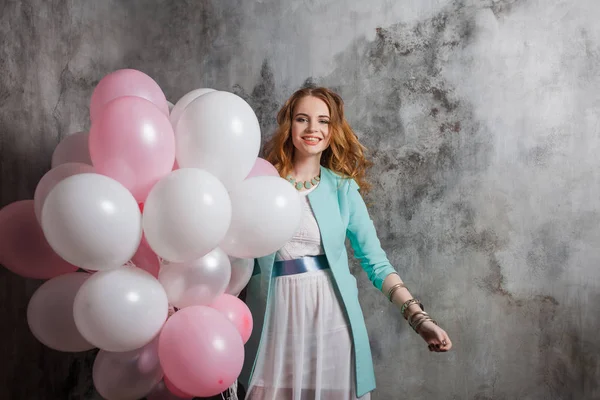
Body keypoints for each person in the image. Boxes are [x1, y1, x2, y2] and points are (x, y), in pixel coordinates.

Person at [239, 87, 452, 400]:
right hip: (273, 322)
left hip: (330, 323)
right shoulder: (259, 183)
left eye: (323, 121)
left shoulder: (343, 189)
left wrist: (420, 321)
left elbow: (375, 262)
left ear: (332, 130)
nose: (313, 129)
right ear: (289, 126)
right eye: (302, 119)